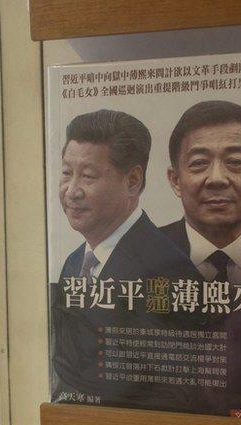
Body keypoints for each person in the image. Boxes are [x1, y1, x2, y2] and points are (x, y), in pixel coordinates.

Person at [51, 109, 201, 409]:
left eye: (89, 176)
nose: (72, 191)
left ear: (133, 181)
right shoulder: (72, 263)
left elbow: (176, 392)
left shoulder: (167, 269)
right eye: (67, 173)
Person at [160, 100, 241, 414]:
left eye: (235, 162)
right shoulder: (138, 257)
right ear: (175, 180)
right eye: (199, 163)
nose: (217, 178)